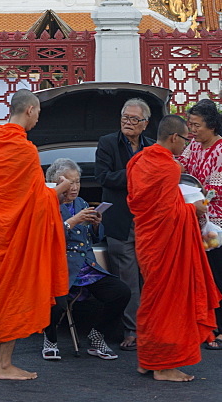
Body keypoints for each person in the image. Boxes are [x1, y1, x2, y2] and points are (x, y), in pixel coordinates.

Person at [0, 90, 69, 381]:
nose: (37, 121)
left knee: (2, 288)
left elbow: (17, 192)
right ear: (30, 110)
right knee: (15, 291)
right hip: (16, 233)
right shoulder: (25, 149)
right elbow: (35, 202)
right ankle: (4, 366)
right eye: (39, 114)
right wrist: (59, 191)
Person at [127, 114, 220, 382]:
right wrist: (194, 208)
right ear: (173, 138)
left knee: (152, 300)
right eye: (185, 140)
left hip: (147, 242)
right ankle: (164, 366)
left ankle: (147, 359)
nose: (187, 147)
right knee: (169, 302)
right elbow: (169, 214)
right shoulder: (167, 168)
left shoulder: (139, 160)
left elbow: (146, 204)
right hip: (165, 245)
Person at [42, 157, 130, 361]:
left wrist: (97, 224)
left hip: (86, 267)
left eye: (78, 182)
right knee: (57, 300)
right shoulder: (48, 204)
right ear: (56, 183)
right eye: (70, 182)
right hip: (60, 266)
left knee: (121, 292)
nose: (74, 187)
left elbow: (93, 237)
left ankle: (97, 336)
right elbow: (47, 238)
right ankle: (50, 339)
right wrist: (73, 221)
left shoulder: (81, 202)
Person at [94, 97, 154, 350]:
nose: (128, 123)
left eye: (134, 119)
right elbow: (103, 178)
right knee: (127, 279)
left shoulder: (151, 147)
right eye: (125, 118)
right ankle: (131, 330)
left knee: (151, 278)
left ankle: (153, 327)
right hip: (120, 221)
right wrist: (136, 171)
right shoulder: (107, 143)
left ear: (145, 124)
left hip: (148, 221)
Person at [178, 98, 222, 349]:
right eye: (190, 125)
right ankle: (204, 325)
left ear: (212, 126)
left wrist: (198, 206)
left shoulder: (221, 151)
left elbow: (216, 191)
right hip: (193, 219)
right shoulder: (193, 146)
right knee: (198, 275)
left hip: (215, 223)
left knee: (217, 275)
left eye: (196, 126)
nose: (192, 131)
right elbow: (180, 167)